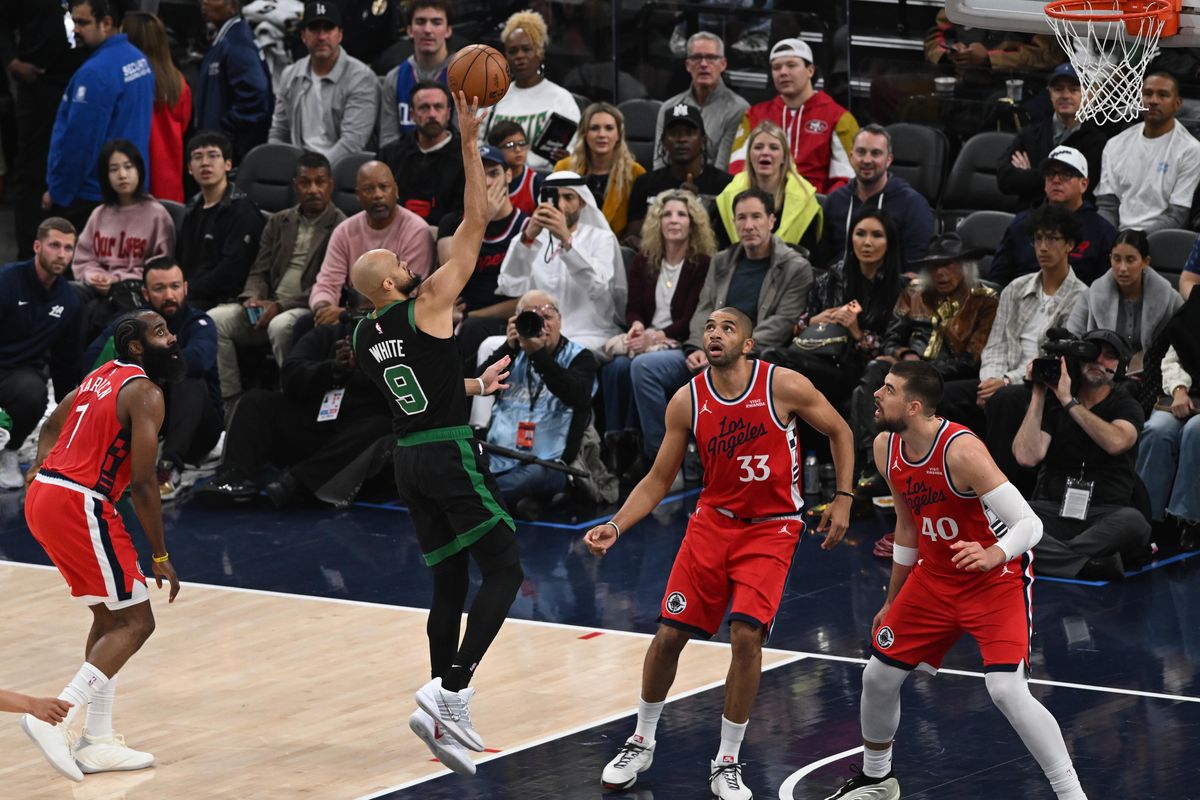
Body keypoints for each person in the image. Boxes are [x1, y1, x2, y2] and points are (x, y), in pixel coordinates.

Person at [585, 306, 855, 800]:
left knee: (746, 636)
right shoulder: (687, 401)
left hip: (772, 528)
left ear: (747, 343)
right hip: (713, 524)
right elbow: (657, 480)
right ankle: (641, 740)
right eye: (708, 326)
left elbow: (841, 430)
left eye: (728, 327)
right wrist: (616, 524)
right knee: (668, 635)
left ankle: (727, 760)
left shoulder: (783, 385)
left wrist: (843, 497)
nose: (715, 333)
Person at [349, 92, 521, 777]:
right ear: (393, 279)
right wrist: (471, 136)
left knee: (448, 584)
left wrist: (475, 386)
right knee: (506, 567)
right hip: (448, 451)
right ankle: (453, 688)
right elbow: (477, 222)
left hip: (408, 457)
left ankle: (440, 719)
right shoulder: (427, 302)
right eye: (396, 255)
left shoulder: (364, 333)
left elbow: (416, 385)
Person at [824, 360, 1088, 800]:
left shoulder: (961, 452)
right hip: (933, 579)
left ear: (913, 405)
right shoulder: (886, 447)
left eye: (887, 389)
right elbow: (907, 527)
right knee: (878, 677)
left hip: (994, 580)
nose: (876, 394)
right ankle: (877, 780)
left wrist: (992, 553)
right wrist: (893, 599)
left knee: (1005, 689)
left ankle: (1070, 793)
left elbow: (1029, 523)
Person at [20, 308, 182, 783]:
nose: (171, 339)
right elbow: (144, 483)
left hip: (47, 496)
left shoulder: (99, 378)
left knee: (110, 617)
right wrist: (160, 555)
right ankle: (54, 716)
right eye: (160, 333)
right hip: (80, 502)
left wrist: (39, 466)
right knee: (137, 621)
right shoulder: (147, 392)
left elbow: (54, 421)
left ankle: (98, 739)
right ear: (136, 347)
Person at [631, 188, 812, 462]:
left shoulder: (794, 267)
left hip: (752, 357)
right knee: (643, 368)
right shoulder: (722, 261)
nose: (748, 225)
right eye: (741, 218)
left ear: (771, 220)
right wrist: (696, 345)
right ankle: (665, 461)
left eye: (756, 217)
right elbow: (703, 308)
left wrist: (729, 347)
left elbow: (783, 323)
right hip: (707, 352)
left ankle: (715, 460)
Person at [198, 315, 393, 509]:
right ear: (347, 311)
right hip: (315, 427)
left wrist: (368, 366)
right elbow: (290, 378)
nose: (365, 324)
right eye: (360, 316)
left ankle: (300, 484)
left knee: (383, 428)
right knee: (255, 401)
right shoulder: (325, 335)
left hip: (355, 446)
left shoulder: (397, 347)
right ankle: (236, 476)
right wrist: (333, 368)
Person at [856, 235, 998, 483]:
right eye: (934, 266)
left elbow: (973, 359)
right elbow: (891, 339)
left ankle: (919, 468)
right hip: (907, 368)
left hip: (950, 375)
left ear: (964, 267)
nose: (941, 273)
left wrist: (923, 372)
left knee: (914, 390)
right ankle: (873, 462)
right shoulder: (914, 292)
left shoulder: (984, 299)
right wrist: (905, 356)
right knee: (874, 372)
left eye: (949, 265)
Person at [209, 150, 345, 406]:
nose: (313, 189)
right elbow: (259, 270)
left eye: (320, 182)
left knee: (281, 325)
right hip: (266, 306)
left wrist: (279, 306)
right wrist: (253, 298)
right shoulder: (279, 221)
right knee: (215, 320)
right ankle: (230, 403)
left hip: (306, 308)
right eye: (305, 182)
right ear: (295, 186)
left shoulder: (342, 226)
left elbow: (328, 285)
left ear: (331, 185)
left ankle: (293, 401)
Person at [1013, 330, 1151, 580]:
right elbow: (1026, 457)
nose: (1099, 361)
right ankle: (1088, 564)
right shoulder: (1053, 404)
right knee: (1002, 519)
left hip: (1104, 512)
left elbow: (1117, 442)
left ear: (1119, 366)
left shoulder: (1126, 405)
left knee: (1135, 523)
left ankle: (1050, 556)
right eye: (1092, 354)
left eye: (1109, 357)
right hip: (1055, 508)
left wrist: (1069, 401)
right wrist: (1039, 392)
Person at [84, 259, 222, 501]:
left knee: (185, 376)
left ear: (186, 289)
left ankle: (169, 466)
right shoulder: (132, 323)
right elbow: (92, 360)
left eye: (175, 286)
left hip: (199, 428)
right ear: (146, 293)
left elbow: (198, 360)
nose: (169, 295)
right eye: (160, 289)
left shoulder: (200, 323)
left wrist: (143, 361)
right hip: (151, 422)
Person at [603, 189, 714, 475]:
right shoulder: (644, 259)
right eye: (667, 214)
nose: (674, 220)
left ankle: (660, 454)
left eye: (681, 214)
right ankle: (623, 446)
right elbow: (634, 307)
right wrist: (638, 326)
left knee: (640, 365)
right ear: (657, 221)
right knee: (615, 367)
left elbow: (692, 318)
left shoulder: (702, 263)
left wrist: (656, 336)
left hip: (679, 341)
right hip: (647, 337)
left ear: (693, 222)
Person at [976, 203, 1087, 489]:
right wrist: (989, 379)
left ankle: (996, 496)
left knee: (1006, 399)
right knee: (943, 392)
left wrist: (1004, 381)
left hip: (1040, 383)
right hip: (1001, 377)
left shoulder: (1081, 297)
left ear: (1069, 245)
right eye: (1038, 239)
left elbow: (1054, 358)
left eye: (1052, 239)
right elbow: (995, 344)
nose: (1043, 247)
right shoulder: (1015, 287)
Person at [763, 206, 906, 412]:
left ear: (889, 242)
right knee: (770, 357)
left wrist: (858, 334)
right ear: (851, 239)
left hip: (862, 370)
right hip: (824, 360)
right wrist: (813, 321)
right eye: (860, 234)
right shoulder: (829, 279)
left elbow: (893, 349)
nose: (867, 242)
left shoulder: (900, 290)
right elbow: (798, 328)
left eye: (877, 235)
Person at [481, 290, 598, 512]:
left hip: (548, 464)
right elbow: (480, 386)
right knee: (455, 462)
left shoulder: (581, 357)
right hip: (498, 458)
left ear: (560, 321)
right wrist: (509, 346)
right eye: (532, 317)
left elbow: (576, 395)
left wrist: (539, 357)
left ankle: (476, 502)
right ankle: (517, 502)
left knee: (527, 479)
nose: (541, 324)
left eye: (548, 316)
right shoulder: (512, 354)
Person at [43, 0, 154, 234]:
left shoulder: (95, 73)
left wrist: (59, 191)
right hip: (130, 191)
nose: (75, 29)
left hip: (91, 198)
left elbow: (80, 144)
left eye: (82, 22)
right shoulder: (139, 60)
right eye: (74, 21)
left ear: (106, 23)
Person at [496, 172, 624, 354]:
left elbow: (599, 288)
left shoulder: (602, 238)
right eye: (554, 197)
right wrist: (528, 240)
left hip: (588, 332)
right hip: (535, 331)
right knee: (488, 346)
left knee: (568, 352)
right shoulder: (527, 239)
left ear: (582, 202)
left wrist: (566, 241)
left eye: (568, 197)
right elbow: (510, 287)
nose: (561, 205)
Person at [0, 218, 81, 490]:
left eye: (68, 248)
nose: (61, 254)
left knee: (34, 394)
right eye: (54, 245)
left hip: (21, 374)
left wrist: (68, 411)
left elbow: (65, 362)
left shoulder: (69, 300)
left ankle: (9, 450)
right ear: (37, 246)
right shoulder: (7, 281)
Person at [1, 0, 84, 257]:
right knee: (32, 166)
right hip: (38, 83)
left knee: (80, 159)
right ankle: (28, 252)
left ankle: (74, 246)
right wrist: (11, 62)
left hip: (85, 80)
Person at [72, 139, 176, 342]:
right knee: (66, 296)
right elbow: (83, 258)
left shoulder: (157, 215)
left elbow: (161, 268)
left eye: (128, 167)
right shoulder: (99, 214)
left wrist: (118, 280)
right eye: (114, 169)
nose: (122, 175)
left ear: (139, 170)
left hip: (134, 292)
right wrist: (96, 276)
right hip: (97, 287)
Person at [308, 160, 435, 325]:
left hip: (398, 320)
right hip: (348, 313)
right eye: (368, 189)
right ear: (358, 195)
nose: (377, 195)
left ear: (396, 190)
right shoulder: (344, 230)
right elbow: (327, 282)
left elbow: (408, 293)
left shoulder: (416, 230)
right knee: (305, 326)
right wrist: (323, 309)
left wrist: (348, 314)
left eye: (384, 187)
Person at [728, 38, 858, 195]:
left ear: (810, 70)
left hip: (814, 207)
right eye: (776, 67)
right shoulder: (754, 115)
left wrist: (823, 208)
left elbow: (846, 177)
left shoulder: (839, 117)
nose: (783, 72)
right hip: (761, 205)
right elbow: (738, 168)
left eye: (791, 65)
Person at [439, 145, 527, 373]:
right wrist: (480, 222)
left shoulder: (526, 227)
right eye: (478, 173)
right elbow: (452, 277)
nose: (486, 182)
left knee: (472, 328)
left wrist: (469, 316)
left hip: (500, 321)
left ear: (509, 175)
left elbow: (524, 299)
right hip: (458, 316)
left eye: (494, 173)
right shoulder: (451, 222)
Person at [269, 1, 379, 166]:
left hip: (344, 173)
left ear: (340, 35)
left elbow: (352, 143)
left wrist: (312, 170)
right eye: (314, 29)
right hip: (297, 167)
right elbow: (279, 131)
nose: (322, 37)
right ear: (303, 36)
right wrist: (276, 162)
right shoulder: (290, 74)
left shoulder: (361, 78)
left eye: (328, 29)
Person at [989, 145, 1116, 286]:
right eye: (1050, 174)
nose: (1056, 180)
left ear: (1084, 184)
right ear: (1044, 184)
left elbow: (1106, 291)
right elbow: (996, 282)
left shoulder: (1101, 230)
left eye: (1066, 175)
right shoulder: (1022, 223)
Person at [1096, 72, 1200, 233]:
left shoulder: (1191, 150)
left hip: (1162, 240)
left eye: (1163, 95)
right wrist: (1108, 237)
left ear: (1177, 104)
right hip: (1117, 238)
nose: (1153, 101)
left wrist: (1136, 242)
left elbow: (1177, 216)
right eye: (1147, 94)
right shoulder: (1115, 144)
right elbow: (1107, 206)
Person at [820, 125, 935, 271]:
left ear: (888, 160)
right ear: (851, 157)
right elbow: (822, 261)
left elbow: (916, 271)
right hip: (839, 288)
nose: (867, 160)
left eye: (875, 153)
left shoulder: (913, 205)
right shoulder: (834, 201)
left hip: (891, 290)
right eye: (861, 152)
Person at [479, 9, 581, 173]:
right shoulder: (494, 98)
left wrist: (566, 159)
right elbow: (478, 145)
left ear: (540, 52)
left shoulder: (561, 99)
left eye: (526, 49)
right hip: (498, 180)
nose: (519, 56)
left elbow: (577, 151)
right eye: (513, 51)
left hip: (545, 180)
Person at [996, 63, 1107, 209]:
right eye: (1058, 89)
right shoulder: (1029, 134)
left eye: (1073, 90)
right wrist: (1061, 179)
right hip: (1027, 218)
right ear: (1050, 93)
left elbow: (1084, 189)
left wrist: (1031, 175)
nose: (1065, 95)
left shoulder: (1096, 141)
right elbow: (1005, 180)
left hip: (1073, 222)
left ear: (1087, 96)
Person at [1066, 229, 1182, 368]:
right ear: (1110, 259)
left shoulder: (1170, 298)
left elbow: (1183, 343)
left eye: (1130, 260)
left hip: (1154, 377)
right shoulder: (1091, 295)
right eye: (1117, 259)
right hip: (1101, 375)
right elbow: (1072, 337)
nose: (1122, 268)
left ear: (1146, 262)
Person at [176, 130, 265, 310]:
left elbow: (231, 273)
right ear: (189, 169)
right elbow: (180, 262)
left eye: (213, 156)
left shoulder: (242, 210)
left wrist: (186, 291)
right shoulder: (192, 209)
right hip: (189, 296)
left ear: (228, 164)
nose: (205, 163)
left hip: (224, 300)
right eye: (197, 157)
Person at [1136, 293, 1200, 537]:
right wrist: (1179, 390)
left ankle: (1189, 520)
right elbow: (1172, 359)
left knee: (1195, 432)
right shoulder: (1195, 308)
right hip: (1184, 395)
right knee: (1157, 430)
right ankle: (1144, 515)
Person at [625, 104, 733, 247]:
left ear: (703, 140)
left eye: (689, 133)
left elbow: (727, 242)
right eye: (674, 133)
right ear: (663, 142)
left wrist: (697, 208)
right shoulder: (646, 183)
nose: (681, 139)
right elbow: (633, 236)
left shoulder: (724, 185)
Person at [715, 121, 822, 253]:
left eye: (773, 147)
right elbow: (721, 251)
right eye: (758, 147)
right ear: (749, 155)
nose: (765, 152)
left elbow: (812, 256)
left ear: (784, 157)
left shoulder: (805, 199)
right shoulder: (728, 195)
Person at [653, 32, 749, 172]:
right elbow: (660, 162)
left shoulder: (739, 109)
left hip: (715, 190)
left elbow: (723, 169)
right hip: (670, 189)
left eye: (711, 58)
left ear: (723, 64)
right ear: (687, 65)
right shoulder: (669, 107)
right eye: (697, 58)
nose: (704, 64)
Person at [122, 12, 192, 203]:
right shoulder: (179, 82)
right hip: (169, 186)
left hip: (132, 182)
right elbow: (184, 126)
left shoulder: (128, 81)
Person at [377, 80, 464, 230]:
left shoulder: (465, 158)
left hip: (446, 240)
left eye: (438, 107)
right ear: (412, 114)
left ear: (448, 113)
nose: (432, 114)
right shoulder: (389, 155)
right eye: (424, 108)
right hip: (394, 234)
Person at [194, 0, 272, 164]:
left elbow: (256, 94)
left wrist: (224, 130)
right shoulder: (225, 37)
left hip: (230, 154)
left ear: (233, 6)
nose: (204, 2)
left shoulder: (237, 41)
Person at [554, 102, 646, 239]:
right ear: (584, 134)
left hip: (616, 249)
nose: (602, 134)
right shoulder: (563, 169)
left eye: (609, 128)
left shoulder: (635, 173)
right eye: (594, 128)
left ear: (619, 135)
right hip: (570, 244)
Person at [379, 0, 453, 147]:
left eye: (436, 22)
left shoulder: (464, 75)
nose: (427, 29)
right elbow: (388, 142)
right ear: (409, 30)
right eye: (420, 22)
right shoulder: (394, 77)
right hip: (404, 164)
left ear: (448, 30)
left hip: (452, 163)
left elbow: (465, 138)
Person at [487, 120, 543, 215]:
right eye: (510, 145)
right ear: (496, 149)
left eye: (522, 143)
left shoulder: (536, 182)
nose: (518, 150)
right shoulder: (486, 181)